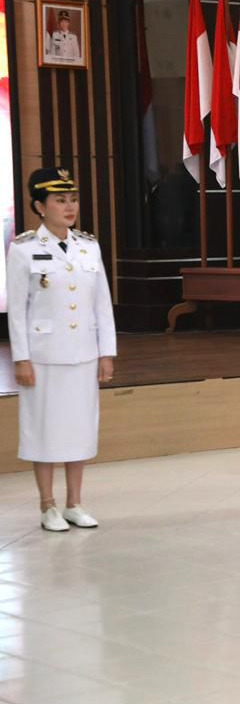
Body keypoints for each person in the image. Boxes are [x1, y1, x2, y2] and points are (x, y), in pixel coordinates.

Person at [7, 168, 116, 532]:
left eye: (73, 200)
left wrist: (106, 352)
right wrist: (21, 358)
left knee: (79, 428)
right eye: (59, 200)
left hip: (83, 353)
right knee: (44, 430)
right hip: (43, 356)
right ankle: (47, 505)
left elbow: (102, 304)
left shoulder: (89, 246)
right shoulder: (23, 249)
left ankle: (74, 503)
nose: (69, 207)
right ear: (40, 206)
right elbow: (18, 310)